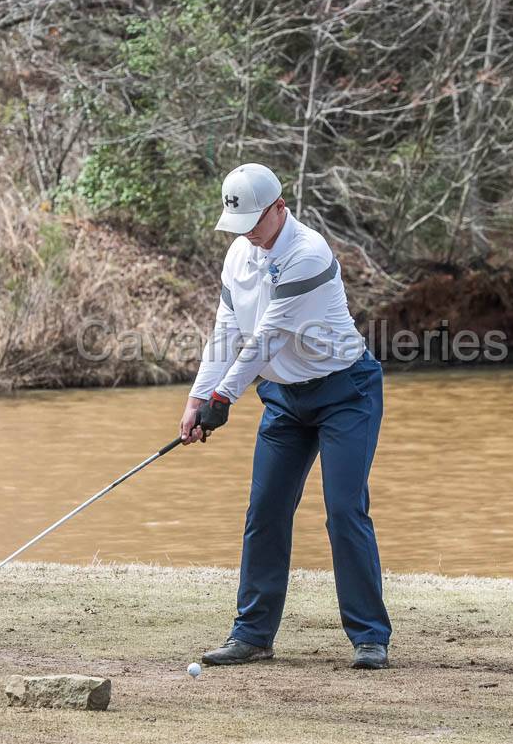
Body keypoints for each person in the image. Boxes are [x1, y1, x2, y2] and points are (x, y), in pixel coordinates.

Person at [179, 163, 391, 670]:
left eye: (255, 221)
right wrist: (197, 397)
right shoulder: (239, 254)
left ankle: (369, 636)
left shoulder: (308, 253)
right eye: (240, 225)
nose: (248, 234)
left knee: (344, 511)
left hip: (346, 392)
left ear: (280, 208)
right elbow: (227, 331)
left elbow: (266, 338)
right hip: (285, 399)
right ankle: (252, 635)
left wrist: (224, 400)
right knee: (265, 511)